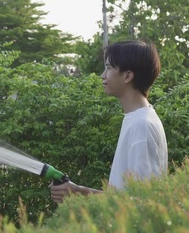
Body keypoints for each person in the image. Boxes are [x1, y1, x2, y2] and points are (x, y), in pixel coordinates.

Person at [50, 40, 168, 203]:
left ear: (127, 76)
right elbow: (125, 194)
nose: (103, 75)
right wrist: (78, 191)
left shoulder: (142, 126)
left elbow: (142, 201)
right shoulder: (135, 119)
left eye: (109, 68)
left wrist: (80, 192)